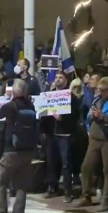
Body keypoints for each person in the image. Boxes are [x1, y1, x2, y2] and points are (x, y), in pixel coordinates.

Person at [0, 79, 38, 213]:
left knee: (1, 181)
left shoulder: (11, 106)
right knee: (21, 185)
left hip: (12, 150)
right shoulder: (31, 106)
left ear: (14, 92)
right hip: (28, 150)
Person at [77, 77, 108, 212]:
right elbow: (88, 115)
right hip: (94, 139)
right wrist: (92, 116)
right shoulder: (97, 99)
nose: (101, 92)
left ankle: (106, 200)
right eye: (99, 89)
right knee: (86, 167)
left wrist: (103, 116)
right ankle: (86, 195)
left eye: (104, 90)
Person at [43, 71, 76, 202]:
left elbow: (75, 115)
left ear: (66, 81)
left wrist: (63, 118)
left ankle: (68, 190)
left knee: (65, 163)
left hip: (64, 134)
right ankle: (52, 187)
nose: (58, 80)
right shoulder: (49, 95)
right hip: (51, 134)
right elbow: (43, 113)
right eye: (56, 77)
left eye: (61, 77)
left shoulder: (70, 97)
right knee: (51, 162)